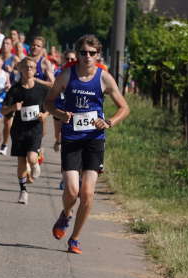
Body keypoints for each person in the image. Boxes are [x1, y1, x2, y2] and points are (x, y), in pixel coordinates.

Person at [45, 34, 130, 254]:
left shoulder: (104, 78)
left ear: (98, 55)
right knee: (72, 191)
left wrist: (109, 122)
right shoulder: (67, 75)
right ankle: (65, 215)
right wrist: (60, 114)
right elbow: (49, 102)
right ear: (78, 54)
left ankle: (75, 238)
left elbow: (124, 107)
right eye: (83, 52)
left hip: (94, 139)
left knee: (88, 193)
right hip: (72, 139)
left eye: (92, 53)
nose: (87, 57)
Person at [1, 57, 49, 204]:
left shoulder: (42, 90)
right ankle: (23, 191)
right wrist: (13, 108)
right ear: (20, 69)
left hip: (35, 128)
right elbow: (3, 111)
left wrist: (44, 115)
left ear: (35, 70)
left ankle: (35, 164)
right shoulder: (14, 90)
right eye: (26, 67)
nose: (28, 69)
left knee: (31, 158)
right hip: (19, 129)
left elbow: (49, 108)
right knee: (21, 160)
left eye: (31, 67)